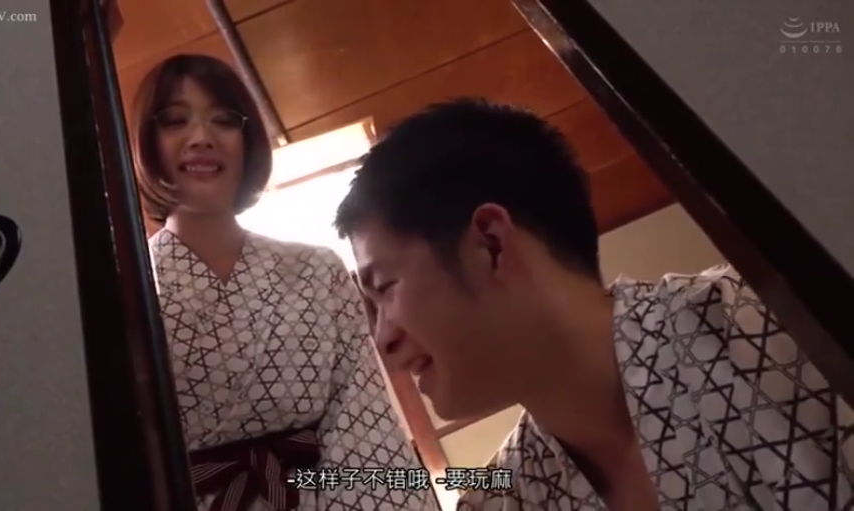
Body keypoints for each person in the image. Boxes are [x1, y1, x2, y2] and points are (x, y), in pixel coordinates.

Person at [333, 98, 854, 510]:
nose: (383, 339)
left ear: (490, 244)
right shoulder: (504, 497)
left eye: (385, 286)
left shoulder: (763, 323)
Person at [129, 53, 440, 511]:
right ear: (147, 143)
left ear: (247, 139)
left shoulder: (317, 270)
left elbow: (362, 420)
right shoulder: (127, 293)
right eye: (176, 121)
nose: (202, 138)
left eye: (224, 120)